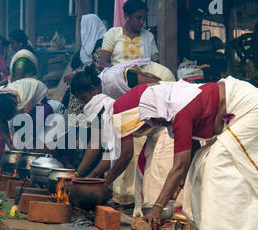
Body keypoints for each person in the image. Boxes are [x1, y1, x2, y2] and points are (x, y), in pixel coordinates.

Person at [138, 78, 258, 230]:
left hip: (252, 108)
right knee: (200, 162)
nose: (156, 123)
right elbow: (191, 152)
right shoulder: (179, 108)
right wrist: (179, 186)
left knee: (216, 164)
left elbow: (179, 165)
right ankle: (216, 226)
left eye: (155, 117)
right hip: (246, 105)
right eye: (152, 121)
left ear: (159, 105)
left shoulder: (181, 112)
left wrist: (158, 207)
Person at [69, 66, 180, 216]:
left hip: (172, 117)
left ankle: (165, 219)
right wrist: (87, 176)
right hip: (154, 126)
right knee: (143, 175)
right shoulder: (107, 108)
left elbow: (126, 154)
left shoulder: (115, 108)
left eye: (83, 98)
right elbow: (110, 153)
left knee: (156, 177)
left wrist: (105, 182)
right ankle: (147, 215)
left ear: (94, 89)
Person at [0, 78, 63, 151]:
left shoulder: (26, 104)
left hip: (38, 89)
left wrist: (28, 141)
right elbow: (3, 125)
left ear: (15, 107)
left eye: (11, 116)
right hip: (21, 89)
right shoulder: (0, 104)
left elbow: (32, 126)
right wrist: (10, 144)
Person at [62, 14, 108, 116]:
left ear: (91, 27)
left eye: (83, 28)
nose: (80, 32)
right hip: (81, 95)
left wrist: (75, 74)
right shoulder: (87, 46)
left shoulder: (101, 47)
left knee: (87, 128)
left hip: (89, 96)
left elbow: (98, 72)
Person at [98, 0, 159, 71]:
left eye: (144, 19)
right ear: (127, 16)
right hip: (118, 78)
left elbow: (156, 65)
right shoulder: (113, 33)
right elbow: (102, 64)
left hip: (143, 79)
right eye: (138, 18)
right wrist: (124, 73)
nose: (142, 22)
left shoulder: (148, 36)